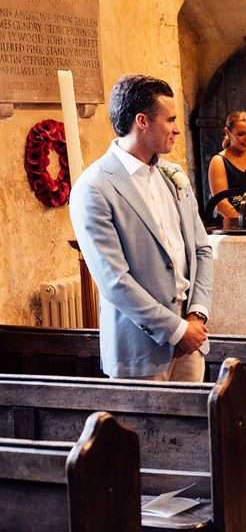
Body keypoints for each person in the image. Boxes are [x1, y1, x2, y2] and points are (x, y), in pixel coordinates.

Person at [70, 74, 213, 381]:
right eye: (170, 119)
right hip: (140, 351)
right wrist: (175, 330)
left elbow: (201, 249)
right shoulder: (95, 187)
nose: (177, 128)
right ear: (142, 121)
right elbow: (114, 281)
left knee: (193, 429)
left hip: (191, 339)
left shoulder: (174, 176)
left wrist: (197, 314)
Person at [207, 111, 246, 221]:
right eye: (241, 134)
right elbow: (222, 203)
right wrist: (243, 224)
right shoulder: (219, 161)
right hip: (232, 225)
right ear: (228, 132)